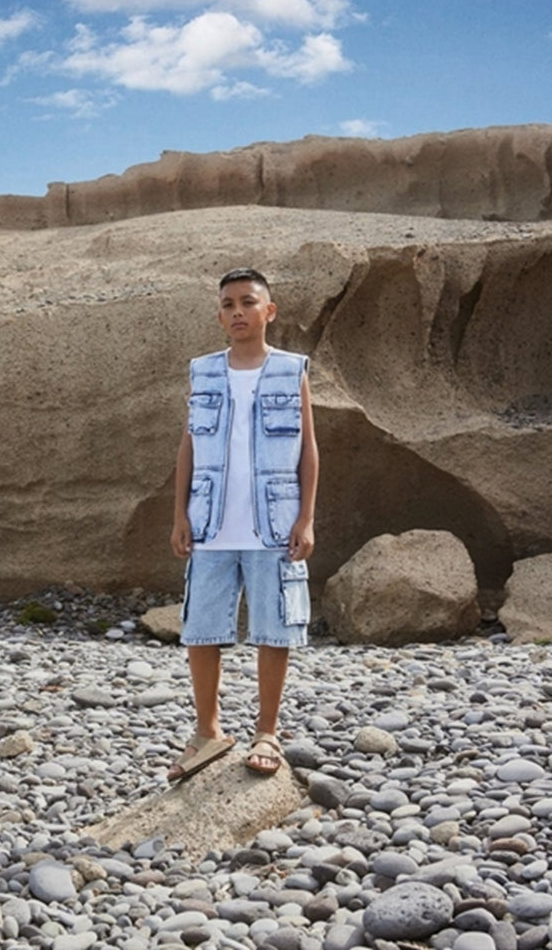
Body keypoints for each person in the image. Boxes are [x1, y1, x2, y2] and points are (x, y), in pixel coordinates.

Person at [168, 267, 319, 781]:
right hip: (210, 524)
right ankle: (207, 732)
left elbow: (308, 449)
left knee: (273, 628)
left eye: (248, 302)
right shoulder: (204, 371)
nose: (238, 312)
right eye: (228, 305)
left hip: (273, 524)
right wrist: (180, 514)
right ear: (219, 316)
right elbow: (188, 446)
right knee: (200, 627)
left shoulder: (291, 370)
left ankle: (267, 732)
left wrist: (306, 518)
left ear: (268, 311)